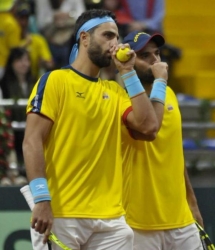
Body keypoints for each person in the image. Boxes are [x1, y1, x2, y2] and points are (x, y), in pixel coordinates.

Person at [23, 9, 163, 250]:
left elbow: (149, 128)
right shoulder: (56, 81)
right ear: (84, 38)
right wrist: (42, 199)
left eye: (117, 37)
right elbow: (32, 140)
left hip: (111, 220)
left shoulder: (117, 91)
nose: (115, 43)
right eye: (108, 36)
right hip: (63, 213)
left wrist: (128, 72)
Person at [121, 31, 204, 250]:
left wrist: (192, 203)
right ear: (128, 59)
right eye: (145, 56)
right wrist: (160, 81)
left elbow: (175, 153)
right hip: (139, 223)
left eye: (157, 54)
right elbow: (150, 129)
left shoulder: (170, 95)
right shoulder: (119, 100)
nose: (155, 61)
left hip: (181, 219)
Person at [0, 47, 34, 167]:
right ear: (12, 62)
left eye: (26, 60)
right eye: (20, 60)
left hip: (32, 128)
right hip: (11, 132)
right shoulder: (3, 84)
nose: (24, 64)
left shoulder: (35, 82)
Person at [15, 1, 55, 81]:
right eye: (20, 18)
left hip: (32, 80)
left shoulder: (37, 40)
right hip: (11, 81)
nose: (23, 22)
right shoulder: (8, 40)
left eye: (26, 18)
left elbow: (50, 64)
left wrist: (43, 63)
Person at [0, 0, 21, 79]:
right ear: (12, 7)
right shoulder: (11, 23)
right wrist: (26, 43)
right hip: (2, 64)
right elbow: (14, 49)